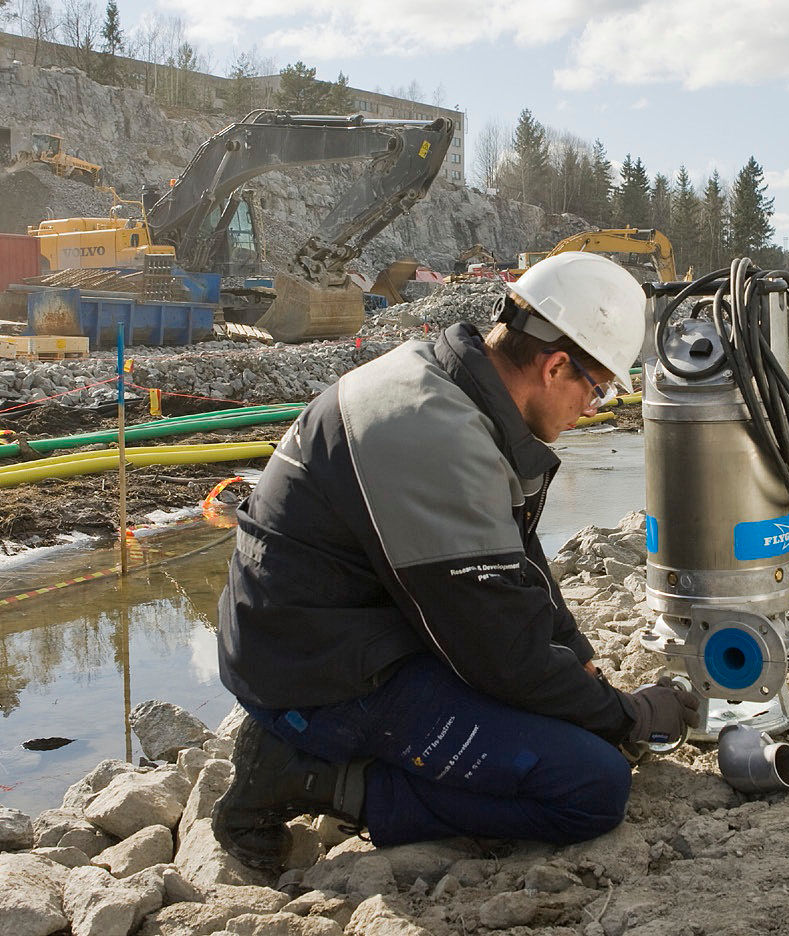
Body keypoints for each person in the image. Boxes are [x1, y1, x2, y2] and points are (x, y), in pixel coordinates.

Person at [211, 252, 700, 872]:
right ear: (555, 366)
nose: (592, 410)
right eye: (597, 389)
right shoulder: (434, 436)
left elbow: (516, 563)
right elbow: (503, 658)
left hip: (335, 629)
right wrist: (627, 718)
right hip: (316, 673)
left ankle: (322, 751)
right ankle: (306, 776)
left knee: (570, 719)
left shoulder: (448, 386)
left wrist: (582, 664)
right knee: (591, 786)